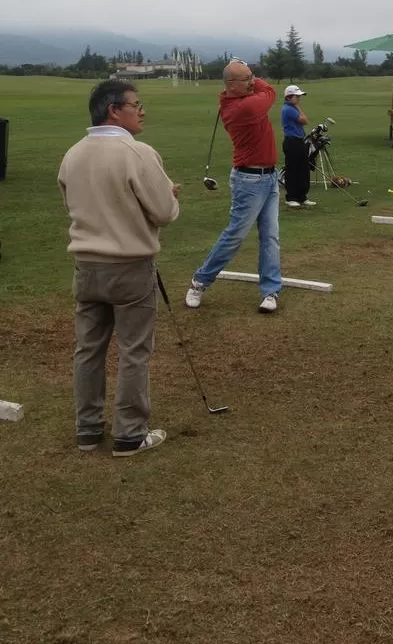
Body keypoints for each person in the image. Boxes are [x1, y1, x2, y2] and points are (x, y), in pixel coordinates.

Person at [57, 81, 180, 457]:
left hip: (87, 266)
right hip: (129, 267)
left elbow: (73, 204)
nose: (141, 111)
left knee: (88, 351)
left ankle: (88, 430)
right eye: (136, 105)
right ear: (114, 110)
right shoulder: (137, 152)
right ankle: (129, 433)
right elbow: (164, 212)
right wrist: (168, 196)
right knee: (134, 351)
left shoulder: (72, 154)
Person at [186, 60, 283, 314]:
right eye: (246, 79)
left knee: (270, 237)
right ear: (231, 85)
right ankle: (199, 281)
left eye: (252, 77)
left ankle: (270, 291)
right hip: (249, 182)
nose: (253, 81)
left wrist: (246, 73)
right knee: (235, 236)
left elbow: (260, 87)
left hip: (270, 177)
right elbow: (270, 92)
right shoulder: (242, 108)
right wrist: (255, 79)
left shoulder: (241, 96)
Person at [281, 84, 316, 209]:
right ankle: (291, 197)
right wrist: (297, 107)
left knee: (303, 169)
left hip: (299, 141)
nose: (299, 99)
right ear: (289, 97)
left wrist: (297, 106)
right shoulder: (288, 109)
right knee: (292, 170)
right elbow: (305, 120)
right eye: (297, 96)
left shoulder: (293, 107)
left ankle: (302, 196)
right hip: (291, 142)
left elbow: (304, 119)